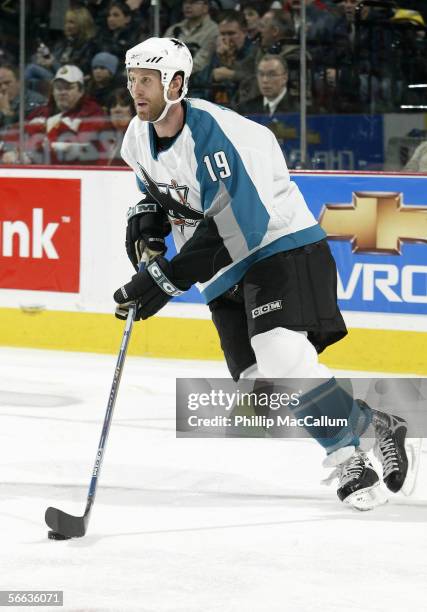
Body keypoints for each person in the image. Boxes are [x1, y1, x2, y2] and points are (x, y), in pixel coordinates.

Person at [112, 37, 417, 511]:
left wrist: (166, 279)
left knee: (281, 355)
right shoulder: (137, 135)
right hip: (220, 266)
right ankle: (372, 425)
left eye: (147, 80)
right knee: (261, 385)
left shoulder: (219, 134)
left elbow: (242, 226)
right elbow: (155, 188)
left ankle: (345, 455)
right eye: (132, 80)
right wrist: (148, 222)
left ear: (176, 83)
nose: (137, 89)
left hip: (278, 244)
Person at [3, 65, 109, 165]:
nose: (62, 92)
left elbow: (85, 149)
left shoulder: (93, 113)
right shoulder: (41, 112)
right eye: (58, 88)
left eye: (68, 88)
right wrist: (11, 150)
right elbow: (15, 134)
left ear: (81, 91)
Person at [163, 0, 219, 73]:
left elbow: (201, 63)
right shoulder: (174, 29)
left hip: (196, 79)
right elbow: (162, 55)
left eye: (193, 2)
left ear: (205, 7)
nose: (187, 6)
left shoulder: (213, 30)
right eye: (185, 2)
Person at [0, 64, 46, 130]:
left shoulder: (35, 101)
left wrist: (6, 111)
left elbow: (15, 133)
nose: (3, 88)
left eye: (7, 83)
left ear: (19, 82)